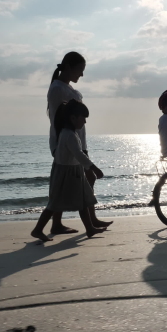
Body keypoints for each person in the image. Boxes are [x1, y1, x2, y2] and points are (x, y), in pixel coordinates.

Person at [46, 52, 112, 234]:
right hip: (66, 142)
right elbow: (56, 119)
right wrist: (65, 143)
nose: (81, 75)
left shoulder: (67, 88)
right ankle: (80, 222)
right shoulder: (57, 89)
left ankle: (86, 220)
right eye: (79, 70)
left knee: (82, 179)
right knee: (71, 181)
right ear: (68, 67)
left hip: (77, 141)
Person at [32, 100, 106, 241]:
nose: (85, 121)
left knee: (83, 201)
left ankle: (90, 229)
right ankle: (37, 229)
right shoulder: (69, 135)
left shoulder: (70, 133)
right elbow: (79, 154)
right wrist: (94, 168)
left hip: (75, 171)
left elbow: (77, 156)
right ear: (73, 118)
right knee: (55, 204)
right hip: (66, 173)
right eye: (83, 118)